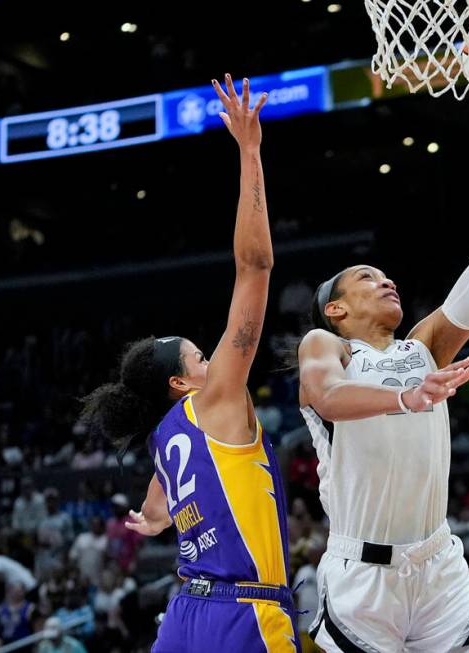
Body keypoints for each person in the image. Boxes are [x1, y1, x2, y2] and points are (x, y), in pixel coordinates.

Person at [296, 59, 469, 652]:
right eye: (366, 278)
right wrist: (405, 397)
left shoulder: (425, 345)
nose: (384, 280)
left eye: (385, 274)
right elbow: (329, 399)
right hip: (363, 579)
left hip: (440, 567)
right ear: (335, 309)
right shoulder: (326, 345)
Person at [81, 74, 298, 652]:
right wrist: (250, 153)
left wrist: (156, 519)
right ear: (181, 382)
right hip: (243, 612)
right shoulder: (213, 402)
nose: (214, 358)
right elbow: (254, 268)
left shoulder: (163, 440)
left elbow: (156, 504)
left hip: (186, 614)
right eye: (201, 356)